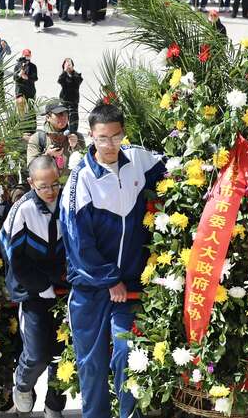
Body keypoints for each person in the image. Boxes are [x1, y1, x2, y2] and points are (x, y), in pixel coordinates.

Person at [61, 104, 166, 418]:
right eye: (102, 138)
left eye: (115, 136)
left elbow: (175, 166)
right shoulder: (80, 180)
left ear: (123, 133)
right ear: (91, 136)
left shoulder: (136, 159)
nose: (109, 145)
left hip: (130, 287)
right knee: (91, 367)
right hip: (90, 289)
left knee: (128, 354)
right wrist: (109, 280)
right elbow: (77, 243)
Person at [0, 156, 68, 416]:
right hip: (32, 290)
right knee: (37, 352)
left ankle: (54, 404)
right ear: (31, 183)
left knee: (63, 353)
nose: (50, 191)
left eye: (55, 184)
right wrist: (39, 285)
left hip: (63, 287)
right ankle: (23, 385)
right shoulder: (23, 209)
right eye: (43, 187)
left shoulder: (66, 202)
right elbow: (13, 257)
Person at [27, 101, 86, 175]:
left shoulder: (77, 137)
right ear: (48, 117)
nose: (64, 118)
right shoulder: (37, 138)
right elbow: (31, 167)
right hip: (48, 185)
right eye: (59, 114)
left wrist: (75, 147)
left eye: (66, 114)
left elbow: (85, 165)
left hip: (71, 183)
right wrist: (47, 155)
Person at [57, 59, 83, 132]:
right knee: (63, 116)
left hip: (73, 100)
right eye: (66, 64)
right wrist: (65, 72)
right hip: (64, 99)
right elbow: (60, 81)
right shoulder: (63, 76)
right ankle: (63, 131)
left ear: (72, 65)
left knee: (73, 116)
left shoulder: (77, 75)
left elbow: (78, 82)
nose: (68, 66)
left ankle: (73, 132)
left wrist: (72, 72)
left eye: (70, 64)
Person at [14, 49, 38, 115]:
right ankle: (22, 122)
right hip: (20, 90)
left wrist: (27, 77)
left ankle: (32, 124)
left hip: (30, 90)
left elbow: (35, 78)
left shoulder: (33, 66)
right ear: (22, 55)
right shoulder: (17, 66)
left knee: (31, 110)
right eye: (25, 55)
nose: (27, 57)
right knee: (20, 105)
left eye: (28, 56)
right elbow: (15, 78)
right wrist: (20, 74)